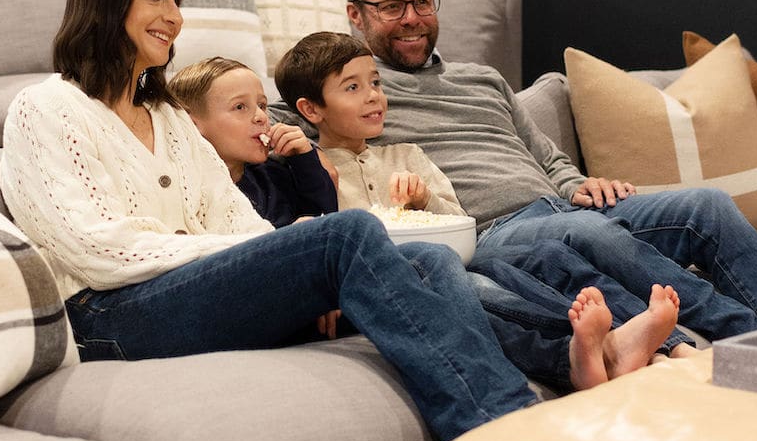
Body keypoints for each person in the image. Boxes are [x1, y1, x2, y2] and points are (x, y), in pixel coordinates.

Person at [0, 0, 546, 441]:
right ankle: (494, 430)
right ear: (105, 2)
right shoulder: (45, 108)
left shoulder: (167, 117)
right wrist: (282, 254)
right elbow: (98, 250)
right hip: (106, 319)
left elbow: (238, 220)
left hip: (189, 292)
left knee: (425, 258)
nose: (173, 17)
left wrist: (295, 263)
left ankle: (540, 384)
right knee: (348, 232)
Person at [317, 0, 757, 341]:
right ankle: (754, 339)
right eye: (391, 7)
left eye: (422, 1)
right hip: (488, 234)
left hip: (560, 209)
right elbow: (276, 119)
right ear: (355, 16)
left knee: (705, 206)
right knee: (587, 232)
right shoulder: (351, 91)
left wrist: (576, 183)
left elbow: (545, 154)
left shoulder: (482, 79)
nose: (411, 18)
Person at [271, 28, 689, 391]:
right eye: (353, 88)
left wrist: (423, 202)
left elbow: (457, 218)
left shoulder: (408, 155)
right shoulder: (311, 169)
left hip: (450, 260)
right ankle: (596, 347)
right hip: (401, 280)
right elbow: (315, 231)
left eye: (376, 83)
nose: (374, 97)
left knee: (523, 265)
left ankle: (641, 343)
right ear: (310, 110)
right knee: (479, 292)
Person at [171, 55, 340, 226]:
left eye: (262, 105)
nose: (261, 117)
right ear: (191, 124)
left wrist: (304, 160)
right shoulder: (183, 189)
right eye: (239, 107)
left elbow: (326, 222)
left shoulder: (274, 176)